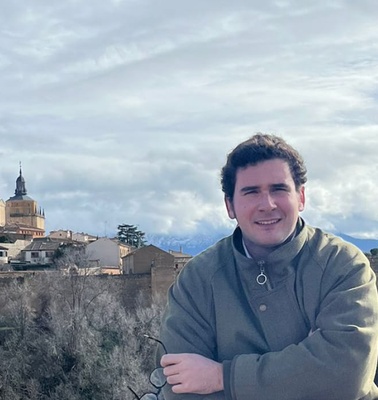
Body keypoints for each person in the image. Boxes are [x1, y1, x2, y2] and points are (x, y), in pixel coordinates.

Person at [157, 133, 378, 400]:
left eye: (279, 189)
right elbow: (179, 387)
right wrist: (306, 368)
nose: (267, 205)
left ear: (301, 197)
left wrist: (221, 377)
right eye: (251, 192)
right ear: (230, 206)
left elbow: (346, 375)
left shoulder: (342, 266)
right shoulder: (198, 280)